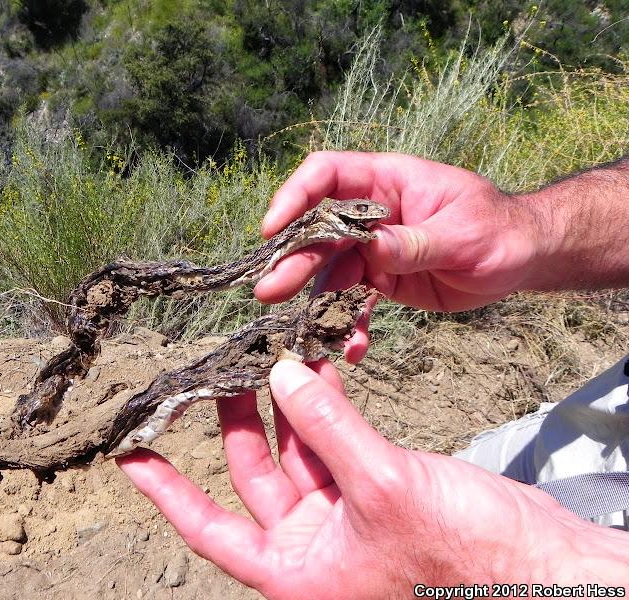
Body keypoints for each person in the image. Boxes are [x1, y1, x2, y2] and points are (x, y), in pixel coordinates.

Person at [117, 152, 629, 598]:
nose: (376, 218)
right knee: (447, 492)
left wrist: (526, 570)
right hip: (597, 430)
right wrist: (533, 226)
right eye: (359, 214)